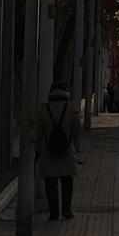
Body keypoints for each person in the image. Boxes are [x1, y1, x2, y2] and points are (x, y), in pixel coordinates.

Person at [36, 82, 80, 219]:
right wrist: (75, 145)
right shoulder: (71, 108)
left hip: (48, 152)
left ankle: (54, 212)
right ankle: (66, 210)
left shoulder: (44, 109)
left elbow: (38, 133)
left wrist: (37, 150)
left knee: (51, 183)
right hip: (67, 152)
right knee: (67, 182)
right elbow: (77, 130)